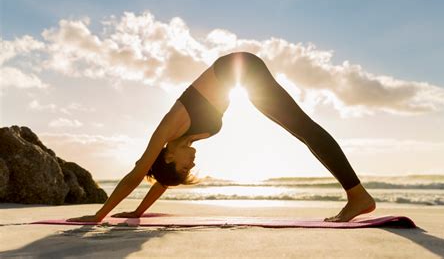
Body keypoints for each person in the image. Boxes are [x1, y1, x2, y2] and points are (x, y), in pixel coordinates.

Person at [67, 52, 375, 223]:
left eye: (184, 168)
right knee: (302, 131)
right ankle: (356, 195)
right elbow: (161, 181)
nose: (192, 165)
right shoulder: (184, 141)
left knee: (304, 128)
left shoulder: (168, 128)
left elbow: (138, 173)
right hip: (242, 75)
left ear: (168, 156)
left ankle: (358, 196)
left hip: (238, 68)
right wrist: (138, 212)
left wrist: (99, 216)